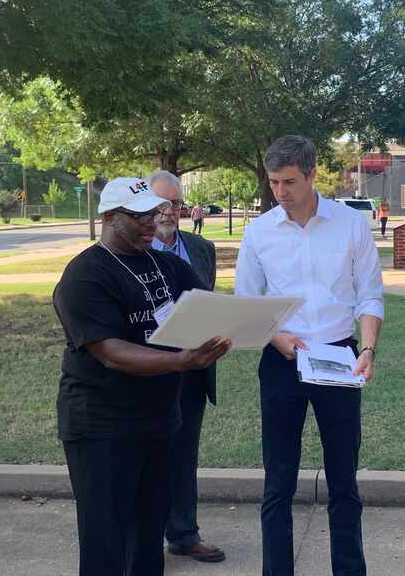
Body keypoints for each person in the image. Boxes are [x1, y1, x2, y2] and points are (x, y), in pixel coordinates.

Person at [52, 177, 231, 576]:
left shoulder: (166, 263)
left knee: (149, 534)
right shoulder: (84, 276)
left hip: (158, 422)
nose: (154, 221)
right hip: (101, 426)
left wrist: (247, 322)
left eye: (155, 212)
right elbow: (111, 352)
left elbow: (208, 307)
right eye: (141, 216)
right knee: (106, 539)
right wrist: (183, 361)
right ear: (110, 218)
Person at [236, 135, 383, 576]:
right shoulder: (259, 231)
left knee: (344, 480)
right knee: (278, 481)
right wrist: (277, 337)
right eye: (274, 182)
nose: (281, 192)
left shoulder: (350, 224)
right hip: (282, 360)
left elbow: (370, 295)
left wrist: (369, 348)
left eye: (290, 182)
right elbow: (248, 302)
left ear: (313, 174)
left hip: (339, 356)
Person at [146, 170, 224, 563]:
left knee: (184, 453)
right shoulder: (130, 249)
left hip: (193, 368)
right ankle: (142, 542)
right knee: (146, 455)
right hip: (146, 368)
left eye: (174, 204)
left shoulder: (201, 247)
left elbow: (208, 301)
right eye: (160, 204)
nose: (168, 212)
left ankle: (183, 532)